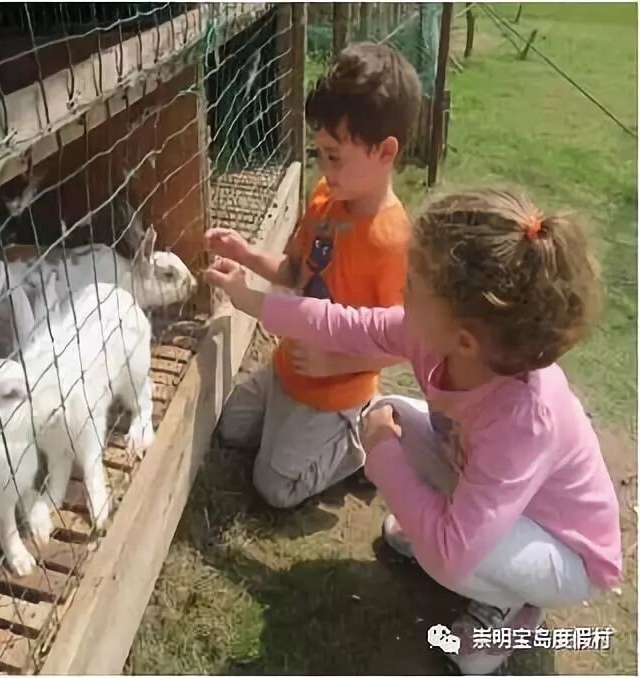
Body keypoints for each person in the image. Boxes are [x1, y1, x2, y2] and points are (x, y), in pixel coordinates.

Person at [203, 189, 622, 674]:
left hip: (567, 552)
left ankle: (511, 609)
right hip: (498, 494)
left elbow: (450, 555)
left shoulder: (525, 417)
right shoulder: (438, 338)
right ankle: (456, 537)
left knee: (446, 553)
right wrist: (250, 299)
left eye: (413, 286)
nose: (401, 291)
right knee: (393, 413)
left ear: (464, 339)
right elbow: (343, 324)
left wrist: (381, 453)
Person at [204, 42, 421, 508]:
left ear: (385, 151)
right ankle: (294, 430)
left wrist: (335, 364)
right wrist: (245, 254)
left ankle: (362, 436)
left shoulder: (392, 241)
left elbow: (402, 341)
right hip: (290, 367)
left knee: (275, 488)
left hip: (336, 389)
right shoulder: (325, 196)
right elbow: (294, 271)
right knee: (232, 427)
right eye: (319, 153)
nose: (324, 167)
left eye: (334, 156)